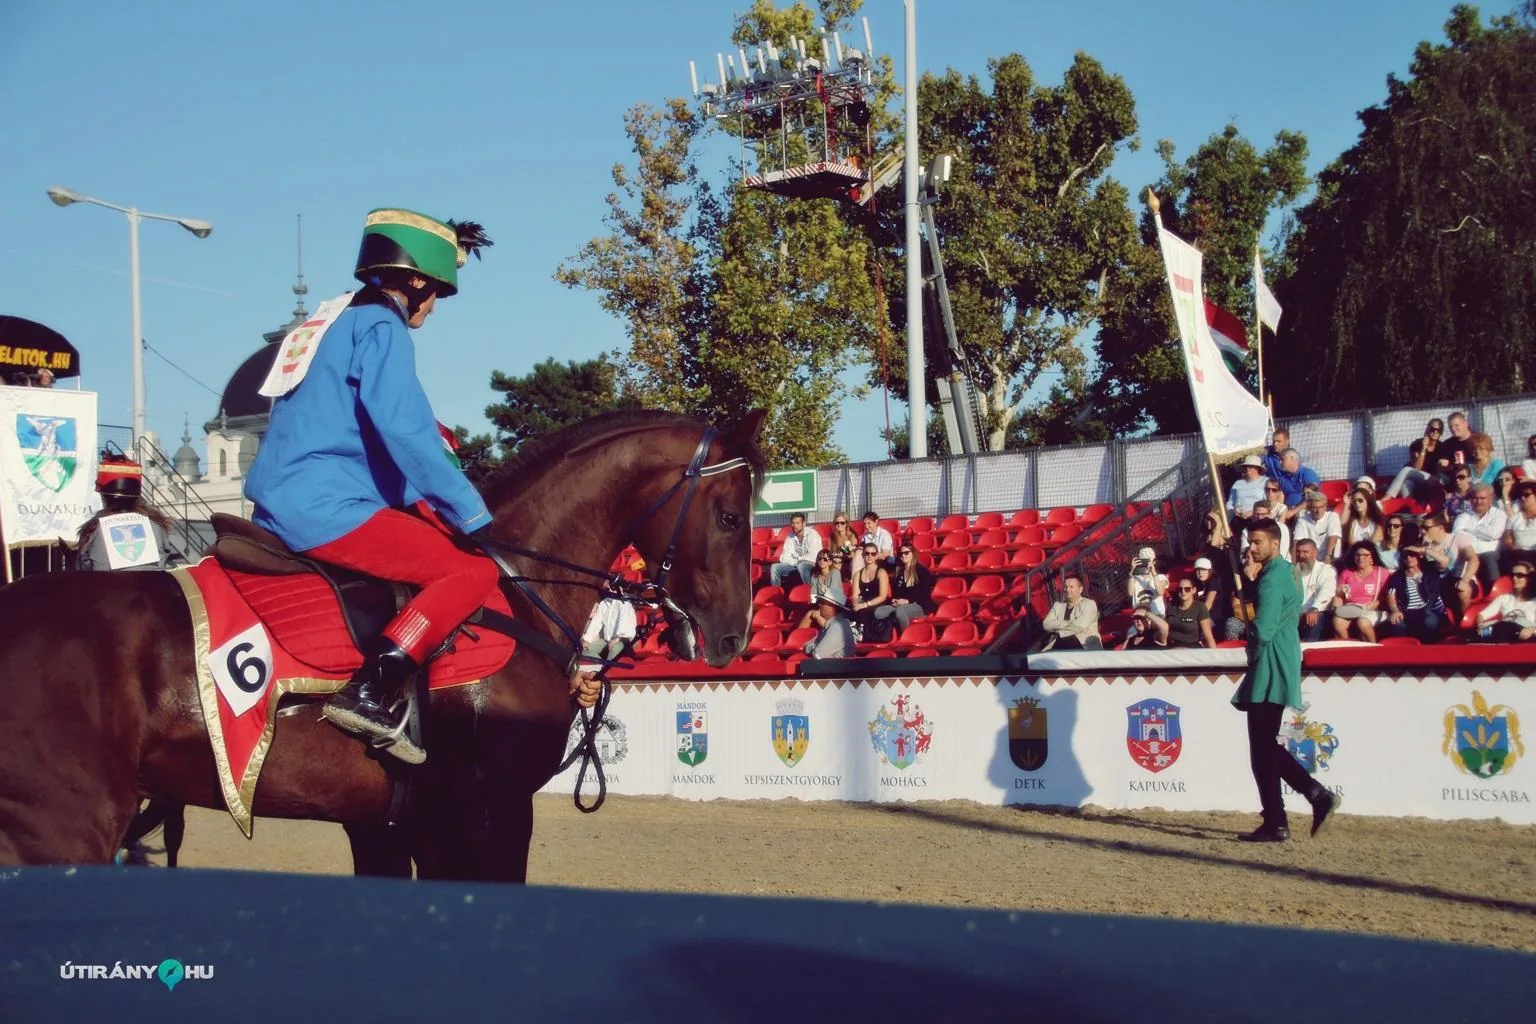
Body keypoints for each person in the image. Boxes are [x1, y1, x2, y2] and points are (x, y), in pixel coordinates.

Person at [244, 208, 584, 766]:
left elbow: (364, 438)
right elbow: (404, 431)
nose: (434, 308)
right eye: (439, 295)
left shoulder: (332, 323)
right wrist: (473, 517)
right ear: (417, 281)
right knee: (469, 570)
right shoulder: (383, 327)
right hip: (327, 505)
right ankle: (373, 691)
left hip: (289, 496)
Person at [1230, 519, 1341, 843]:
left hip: (1271, 662)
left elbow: (1263, 628)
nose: (1252, 547)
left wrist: (1251, 645)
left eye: (1258, 542)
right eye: (1250, 542)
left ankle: (1310, 797)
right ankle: (1279, 817)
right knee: (1262, 746)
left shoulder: (1273, 578)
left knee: (1263, 745)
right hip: (1282, 657)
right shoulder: (1285, 572)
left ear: (1275, 543)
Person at [74, 452, 186, 572]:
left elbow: (84, 567)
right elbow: (164, 558)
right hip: (154, 585)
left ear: (104, 495)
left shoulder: (93, 528)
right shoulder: (156, 524)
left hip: (107, 587)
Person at [1384, 546, 1446, 643]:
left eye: (1412, 555)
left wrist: (1423, 550)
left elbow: (1444, 561)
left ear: (1419, 556)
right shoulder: (1398, 576)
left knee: (1429, 621)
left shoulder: (1430, 570)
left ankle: (1428, 648)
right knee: (1396, 622)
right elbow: (1391, 594)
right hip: (1408, 612)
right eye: (1406, 557)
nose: (1409, 558)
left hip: (1429, 609)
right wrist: (1395, 610)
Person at [1332, 542, 1390, 642]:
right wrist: (1337, 601)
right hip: (1351, 608)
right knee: (1337, 622)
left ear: (1372, 557)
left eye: (1365, 555)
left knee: (1363, 622)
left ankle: (1372, 649)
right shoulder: (1346, 573)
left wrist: (1379, 604)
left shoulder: (1382, 573)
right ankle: (1348, 650)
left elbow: (1388, 596)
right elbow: (1339, 595)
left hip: (1372, 609)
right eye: (1358, 555)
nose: (1361, 558)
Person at [873, 543, 935, 634]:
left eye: (906, 553)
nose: (903, 555)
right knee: (879, 612)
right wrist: (894, 600)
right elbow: (896, 593)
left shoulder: (922, 571)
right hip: (900, 605)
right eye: (901, 554)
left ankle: (906, 636)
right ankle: (886, 637)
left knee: (900, 611)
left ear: (913, 553)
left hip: (919, 605)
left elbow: (925, 594)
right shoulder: (899, 572)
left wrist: (907, 601)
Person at [1472, 560, 1536, 642]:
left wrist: (1532, 631)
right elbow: (1481, 616)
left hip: (1527, 639)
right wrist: (1481, 626)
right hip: (1504, 635)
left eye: (1519, 575)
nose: (1514, 578)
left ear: (1529, 578)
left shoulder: (1534, 602)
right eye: (1512, 575)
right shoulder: (1504, 598)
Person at [1039, 572, 1101, 651]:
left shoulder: (1089, 604)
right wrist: (1069, 622)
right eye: (1065, 587)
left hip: (1084, 646)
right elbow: (1046, 625)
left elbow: (1080, 625)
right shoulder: (1057, 606)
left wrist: (1059, 632)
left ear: (1080, 589)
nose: (1067, 589)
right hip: (1061, 643)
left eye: (1071, 587)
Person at [1385, 417, 1444, 498]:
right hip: (1416, 478)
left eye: (1439, 430)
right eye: (1433, 429)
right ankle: (1410, 507)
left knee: (1406, 470)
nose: (1435, 432)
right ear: (1428, 429)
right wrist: (1423, 448)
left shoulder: (1442, 447)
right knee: (1406, 484)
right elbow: (1417, 467)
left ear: (1441, 433)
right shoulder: (1417, 444)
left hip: (1431, 480)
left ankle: (1386, 498)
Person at [1160, 577, 1217, 649]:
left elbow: (1208, 635)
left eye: (1187, 589)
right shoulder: (1171, 606)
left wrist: (1214, 655)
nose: (1183, 591)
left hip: (1191, 649)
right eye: (1180, 589)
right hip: (1171, 648)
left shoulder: (1200, 607)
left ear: (1193, 590)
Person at [770, 512, 823, 587]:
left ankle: (810, 592)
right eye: (793, 523)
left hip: (812, 565)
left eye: (797, 523)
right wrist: (797, 562)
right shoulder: (790, 536)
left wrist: (798, 561)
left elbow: (813, 557)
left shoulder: (812, 534)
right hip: (795, 564)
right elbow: (784, 557)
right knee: (775, 567)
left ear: (804, 523)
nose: (795, 526)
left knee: (802, 566)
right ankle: (776, 593)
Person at [805, 588, 856, 659]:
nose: (819, 605)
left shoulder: (838, 627)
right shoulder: (832, 625)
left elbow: (818, 654)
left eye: (823, 603)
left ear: (832, 607)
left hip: (836, 669)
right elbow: (806, 646)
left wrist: (814, 647)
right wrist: (815, 647)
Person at [1126, 546, 1169, 617]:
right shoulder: (1135, 578)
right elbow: (1130, 593)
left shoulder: (1161, 577)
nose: (1145, 564)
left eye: (1147, 561)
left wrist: (1153, 572)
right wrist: (1132, 572)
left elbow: (1160, 592)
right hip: (1140, 617)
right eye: (1143, 561)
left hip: (1157, 616)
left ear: (1154, 562)